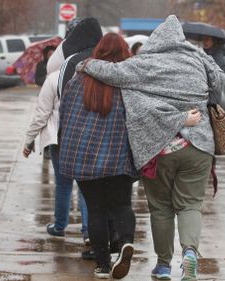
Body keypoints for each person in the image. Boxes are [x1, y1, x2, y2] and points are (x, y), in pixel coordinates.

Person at [78, 15, 225, 281]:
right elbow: (218, 79)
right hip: (200, 144)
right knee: (191, 204)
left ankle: (164, 265)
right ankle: (190, 253)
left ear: (156, 39)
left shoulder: (145, 63)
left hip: (162, 148)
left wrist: (86, 63)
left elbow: (113, 73)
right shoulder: (197, 59)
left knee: (161, 208)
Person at [58, 33, 138, 280]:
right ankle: (125, 242)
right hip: (117, 155)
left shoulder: (78, 79)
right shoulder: (128, 81)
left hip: (84, 155)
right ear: (125, 52)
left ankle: (103, 265)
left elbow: (65, 114)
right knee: (121, 205)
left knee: (96, 210)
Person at [23, 36, 89, 245]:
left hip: (60, 139)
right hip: (85, 138)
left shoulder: (53, 78)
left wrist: (29, 140)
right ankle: (87, 230)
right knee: (86, 185)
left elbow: (41, 114)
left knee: (63, 185)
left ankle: (59, 226)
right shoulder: (91, 76)